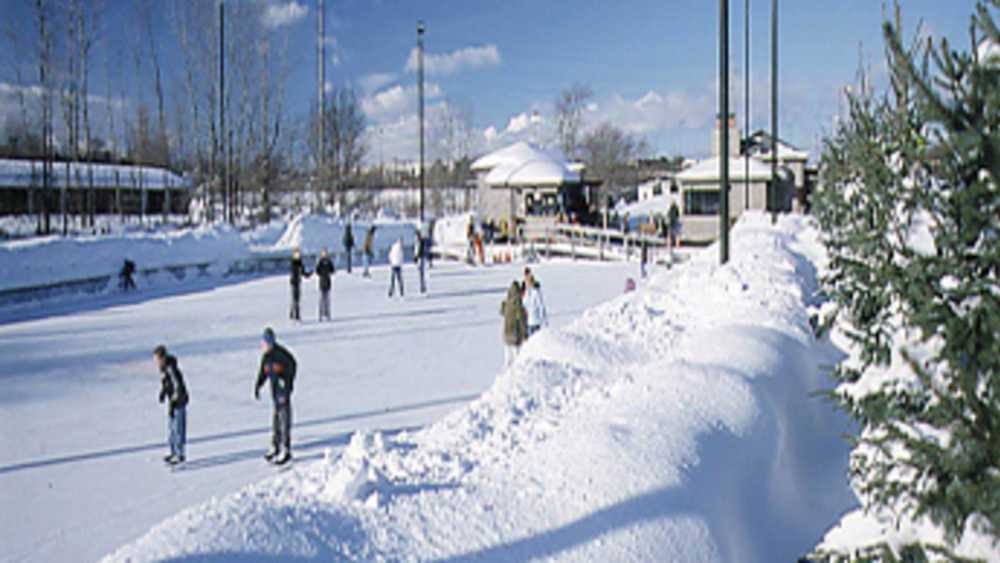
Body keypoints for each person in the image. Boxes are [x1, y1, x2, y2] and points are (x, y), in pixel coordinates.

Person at [255, 327, 297, 465]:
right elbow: (263, 372)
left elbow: (292, 364)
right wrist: (258, 385)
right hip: (275, 392)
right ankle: (275, 446)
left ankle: (286, 448)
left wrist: (287, 383)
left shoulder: (281, 354)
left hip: (283, 392)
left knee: (284, 419)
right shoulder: (266, 357)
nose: (265, 346)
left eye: (267, 343)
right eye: (264, 343)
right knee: (276, 420)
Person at [154, 345, 189, 465]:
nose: (156, 363)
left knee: (178, 428)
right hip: (173, 401)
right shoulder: (164, 369)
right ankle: (174, 452)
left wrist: (174, 401)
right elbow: (167, 384)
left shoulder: (171, 368)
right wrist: (163, 393)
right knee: (172, 428)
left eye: (158, 360)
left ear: (163, 358)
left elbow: (177, 385)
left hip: (179, 401)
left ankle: (180, 454)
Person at [500, 281, 528, 367]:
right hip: (515, 334)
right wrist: (525, 334)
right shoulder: (517, 304)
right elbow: (521, 319)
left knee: (507, 360)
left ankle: (505, 378)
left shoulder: (506, 302)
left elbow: (502, 312)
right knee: (518, 359)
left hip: (506, 334)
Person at [522, 270, 548, 338]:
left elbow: (541, 307)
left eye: (528, 282)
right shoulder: (527, 293)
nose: (527, 284)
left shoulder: (536, 292)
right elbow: (524, 305)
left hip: (536, 322)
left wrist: (544, 321)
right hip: (529, 322)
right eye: (526, 282)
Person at [289, 249, 311, 321]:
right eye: (295, 254)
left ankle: (294, 313)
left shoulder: (300, 263)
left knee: (297, 298)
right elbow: (293, 270)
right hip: (293, 282)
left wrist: (308, 274)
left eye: (298, 254)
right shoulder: (293, 263)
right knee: (295, 298)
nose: (297, 256)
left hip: (298, 282)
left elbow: (303, 272)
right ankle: (295, 314)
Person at [315, 247, 335, 321]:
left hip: (328, 283)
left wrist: (330, 272)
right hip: (322, 283)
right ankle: (320, 314)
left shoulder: (329, 261)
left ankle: (327, 314)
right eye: (324, 253)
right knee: (321, 300)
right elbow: (317, 271)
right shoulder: (320, 262)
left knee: (327, 300)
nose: (325, 255)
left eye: (326, 253)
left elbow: (332, 270)